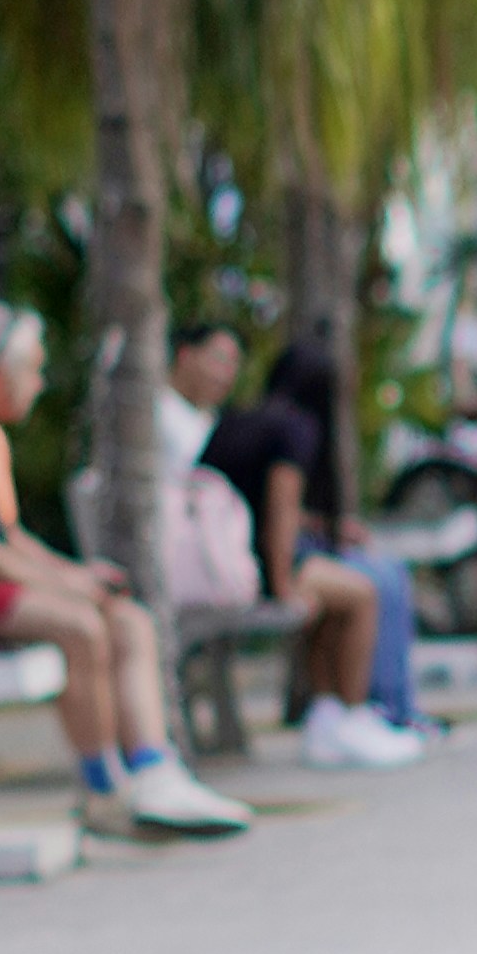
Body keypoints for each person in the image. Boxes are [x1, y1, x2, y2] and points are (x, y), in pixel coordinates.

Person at [0, 301, 248, 836]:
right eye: (32, 369)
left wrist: (75, 576)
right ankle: (105, 792)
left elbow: (8, 537)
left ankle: (156, 773)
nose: (38, 383)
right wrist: (62, 588)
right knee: (78, 625)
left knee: (127, 619)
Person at [163, 322, 419, 772]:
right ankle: (355, 714)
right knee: (362, 593)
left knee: (337, 592)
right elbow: (279, 512)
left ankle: (328, 716)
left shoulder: (244, 422)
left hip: (224, 554)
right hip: (239, 566)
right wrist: (283, 585)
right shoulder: (294, 429)